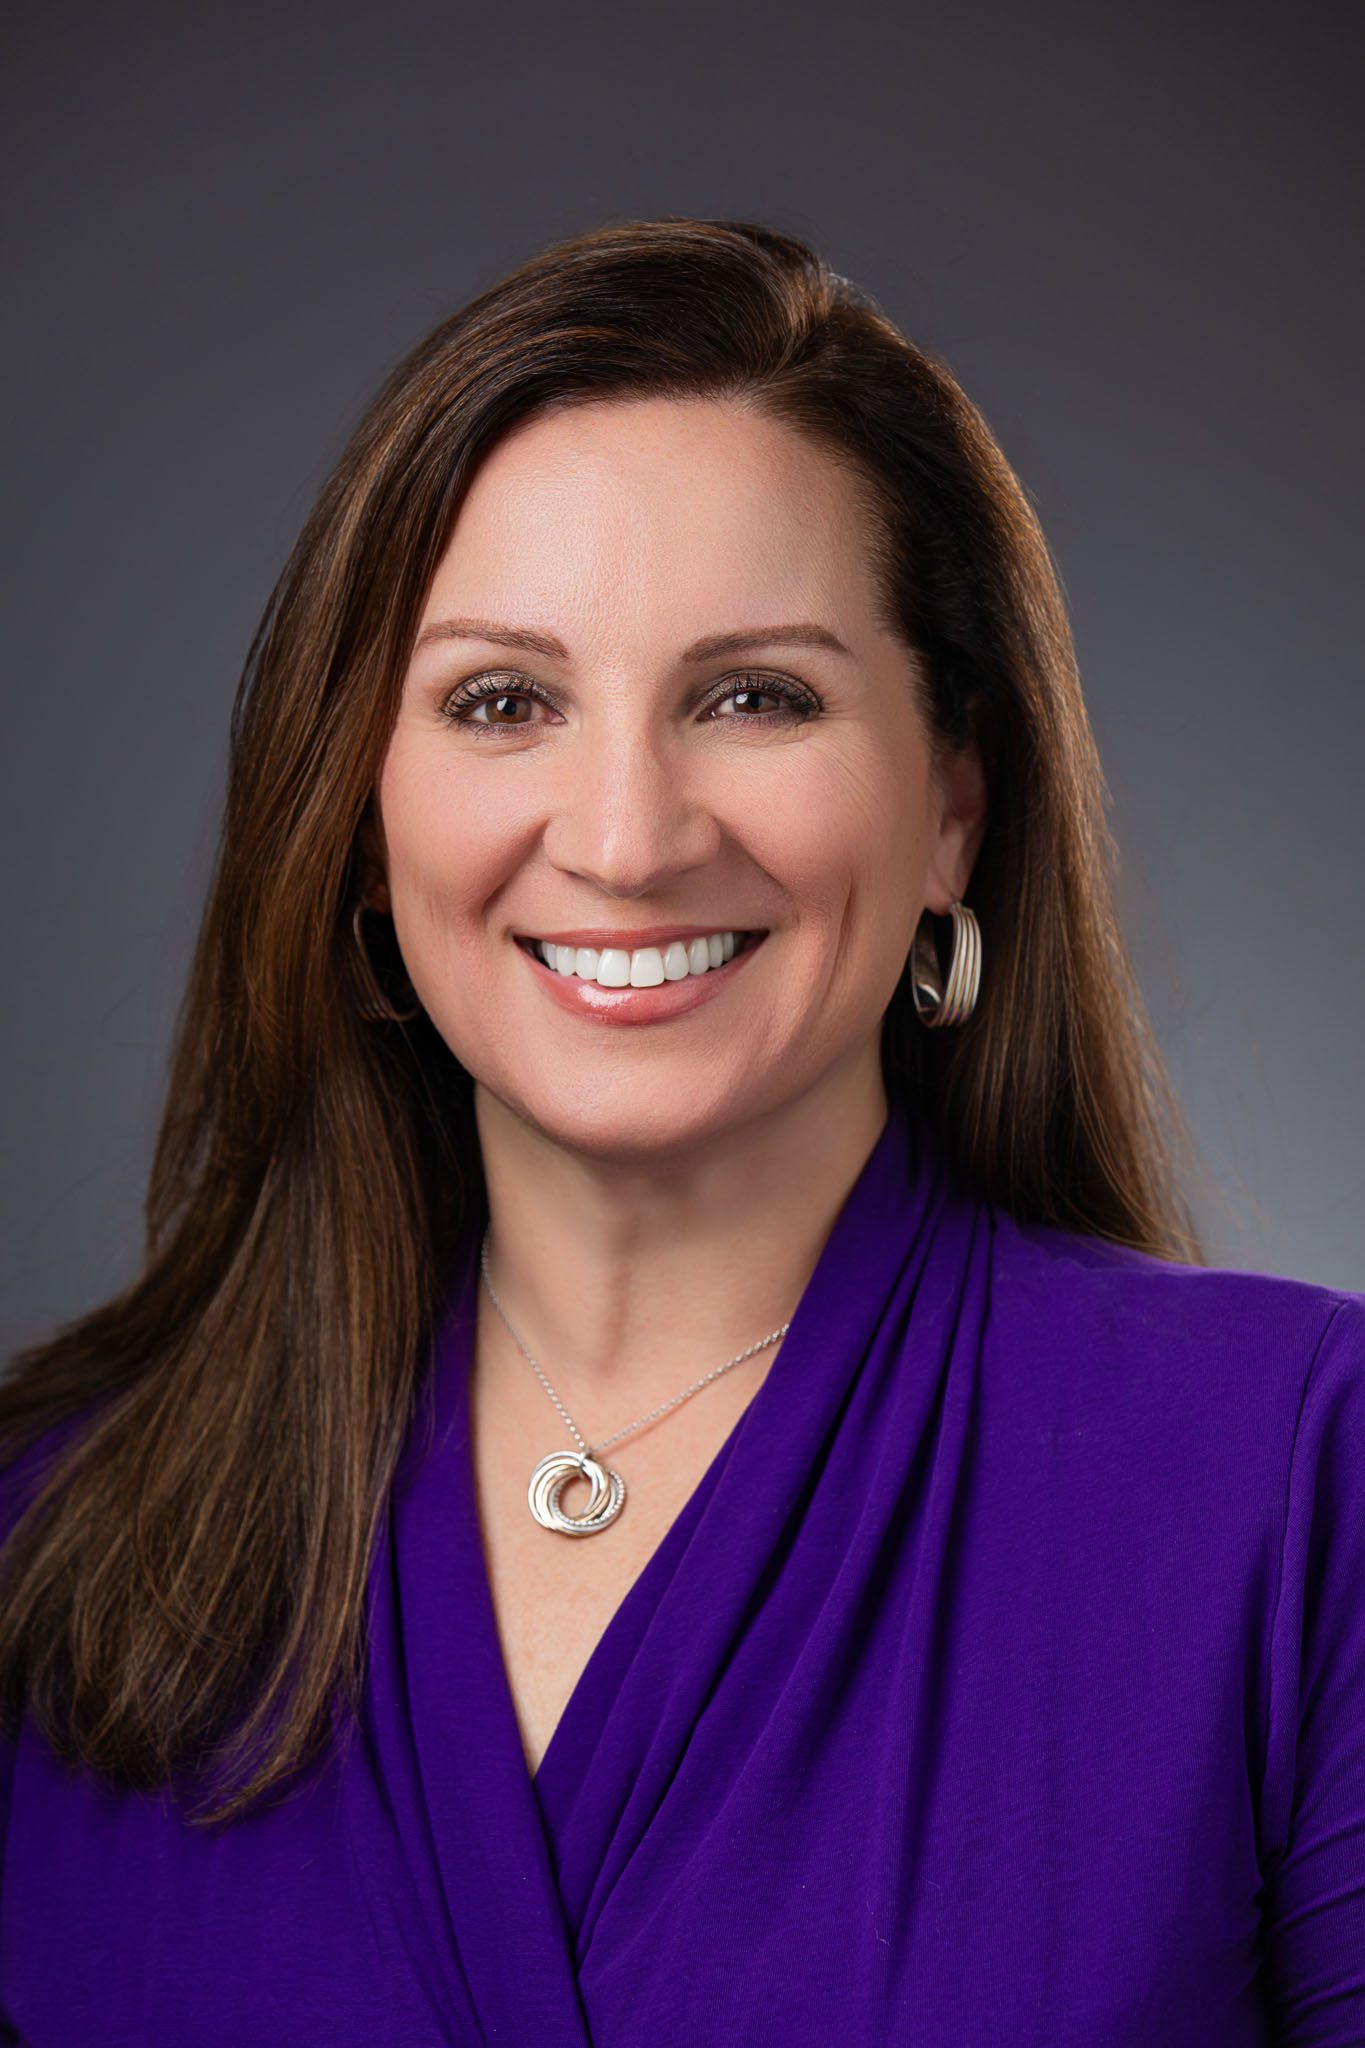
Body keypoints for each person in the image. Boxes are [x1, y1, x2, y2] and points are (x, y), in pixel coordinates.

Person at [0, 217, 1360, 2047]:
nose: (626, 839)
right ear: (359, 821)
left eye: (754, 697)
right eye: (503, 702)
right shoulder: (44, 1540)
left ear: (953, 803)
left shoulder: (1294, 1483)